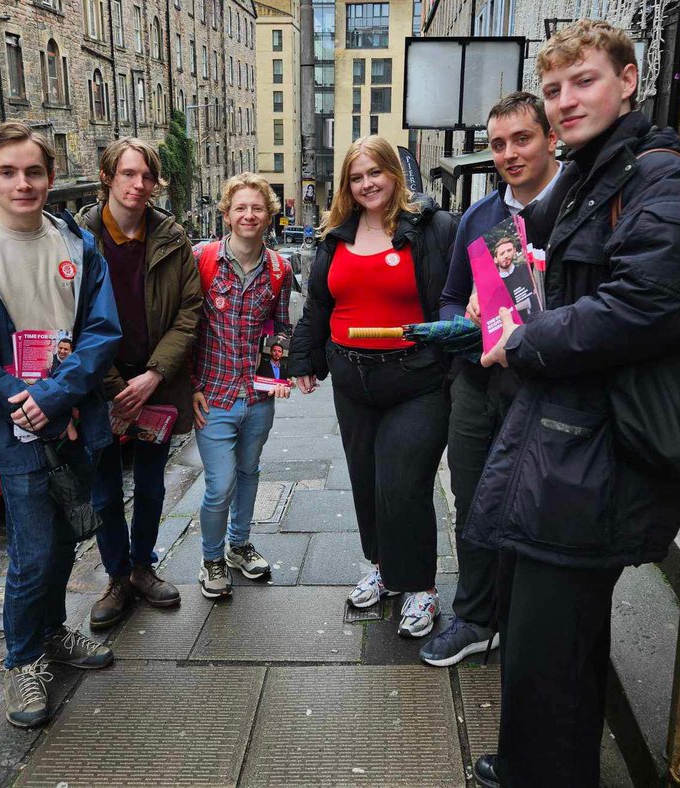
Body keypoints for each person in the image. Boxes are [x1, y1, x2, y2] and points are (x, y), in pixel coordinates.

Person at [466, 21, 680, 787]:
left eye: (584, 82)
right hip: (569, 438)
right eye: (555, 89)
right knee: (555, 640)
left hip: (598, 451)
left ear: (629, 80)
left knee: (550, 640)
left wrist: (531, 340)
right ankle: (536, 766)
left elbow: (649, 304)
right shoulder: (600, 169)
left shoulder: (661, 176)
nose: (566, 101)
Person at [0, 121, 121, 729]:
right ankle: (22, 661)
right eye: (8, 172)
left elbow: (100, 331)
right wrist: (22, 399)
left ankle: (53, 633)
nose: (22, 183)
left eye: (33, 171)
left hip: (68, 419)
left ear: (51, 178)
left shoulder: (76, 244)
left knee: (65, 540)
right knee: (33, 551)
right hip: (15, 429)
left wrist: (56, 396)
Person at [286, 135, 457, 639]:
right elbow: (319, 304)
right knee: (365, 478)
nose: (367, 185)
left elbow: (450, 293)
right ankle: (383, 568)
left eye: (374, 174)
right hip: (351, 376)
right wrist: (305, 358)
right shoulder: (335, 235)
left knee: (402, 482)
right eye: (356, 178)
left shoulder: (431, 228)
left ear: (394, 174)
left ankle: (420, 586)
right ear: (347, 185)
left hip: (417, 378)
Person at [421, 91, 562, 668]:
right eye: (498, 143)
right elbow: (451, 298)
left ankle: (528, 620)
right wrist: (467, 319)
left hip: (548, 386)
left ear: (552, 138)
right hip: (477, 386)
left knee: (538, 505)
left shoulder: (575, 208)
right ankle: (476, 617)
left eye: (522, 139)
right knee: (473, 499)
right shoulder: (479, 218)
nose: (509, 153)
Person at [77, 138, 202, 628]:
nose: (138, 185)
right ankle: (115, 576)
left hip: (157, 385)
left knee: (151, 485)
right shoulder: (79, 239)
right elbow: (73, 317)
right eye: (128, 174)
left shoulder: (173, 238)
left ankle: (143, 568)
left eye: (146, 176)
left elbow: (190, 313)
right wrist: (112, 384)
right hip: (98, 385)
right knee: (105, 491)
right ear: (107, 176)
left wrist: (153, 375)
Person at [192, 173, 293, 598]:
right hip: (211, 395)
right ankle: (211, 558)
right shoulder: (202, 259)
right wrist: (187, 384)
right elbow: (183, 326)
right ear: (227, 214)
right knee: (220, 483)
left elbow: (283, 327)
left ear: (268, 215)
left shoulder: (278, 269)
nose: (249, 215)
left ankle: (238, 545)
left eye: (257, 208)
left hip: (256, 397)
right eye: (241, 208)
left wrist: (280, 357)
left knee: (249, 473)